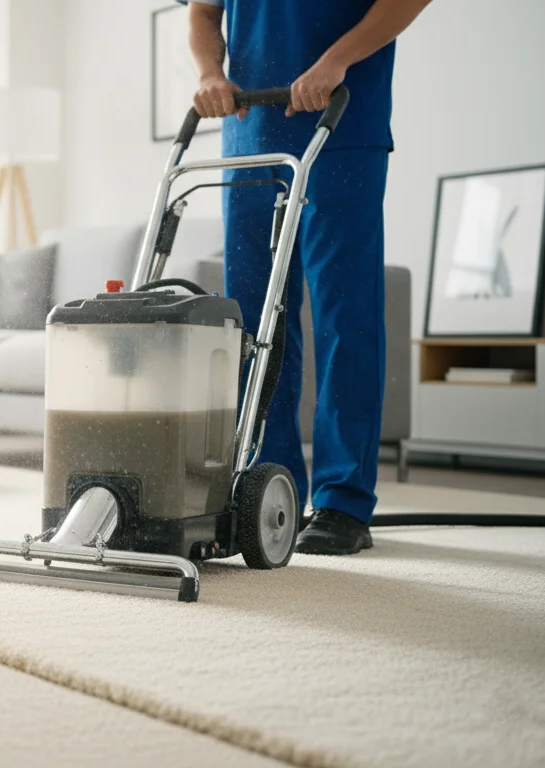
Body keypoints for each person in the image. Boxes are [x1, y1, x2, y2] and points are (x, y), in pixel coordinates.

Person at [183, 0, 432, 554]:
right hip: (250, 132)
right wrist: (209, 74)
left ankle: (343, 501)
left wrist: (335, 61)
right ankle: (271, 488)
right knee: (255, 322)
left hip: (340, 123)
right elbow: (203, 11)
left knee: (345, 314)